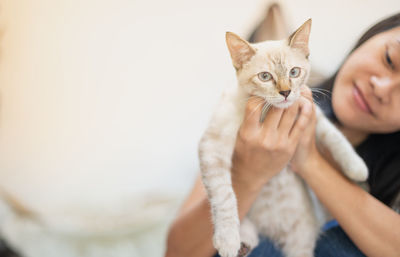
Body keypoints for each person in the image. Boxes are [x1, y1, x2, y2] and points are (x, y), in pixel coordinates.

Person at [165, 12, 400, 257]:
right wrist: (247, 175)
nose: (382, 89)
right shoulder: (251, 107)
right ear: (372, 35)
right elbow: (177, 252)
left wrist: (309, 162)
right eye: (389, 59)